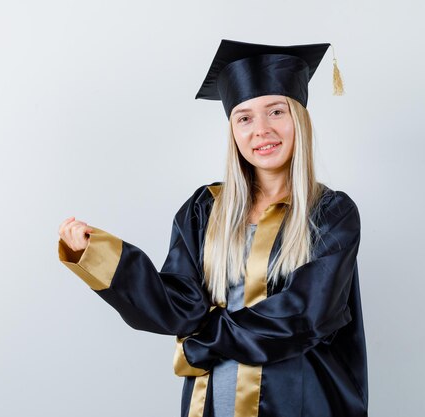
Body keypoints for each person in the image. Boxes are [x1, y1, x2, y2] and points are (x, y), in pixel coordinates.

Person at [58, 39, 367, 417]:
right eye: (245, 117)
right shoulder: (205, 210)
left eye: (276, 111)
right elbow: (179, 307)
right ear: (233, 131)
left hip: (298, 403)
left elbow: (304, 315)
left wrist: (202, 343)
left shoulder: (331, 213)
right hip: (212, 404)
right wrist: (97, 255)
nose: (261, 130)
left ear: (299, 119)